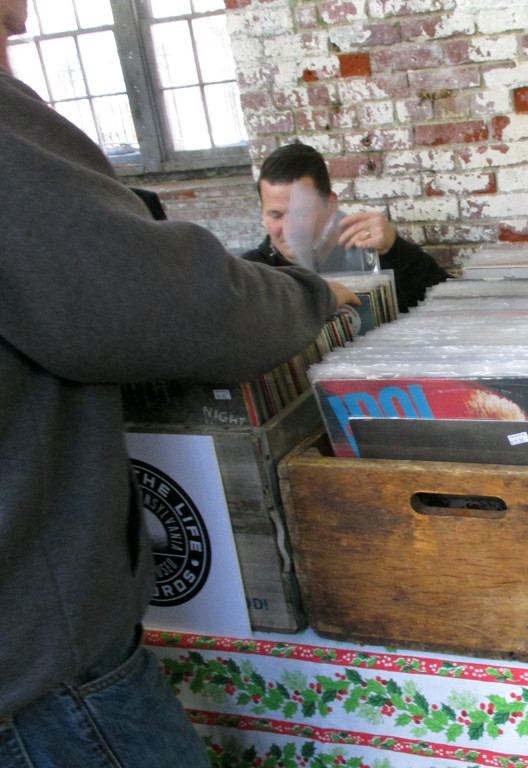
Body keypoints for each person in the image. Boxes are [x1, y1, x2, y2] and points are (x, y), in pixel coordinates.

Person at [0, 2, 358, 765]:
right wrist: (315, 296)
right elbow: (179, 308)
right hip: (35, 674)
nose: (20, 31)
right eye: (3, 30)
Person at [243, 142, 448, 312]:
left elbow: (450, 302)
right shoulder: (249, 275)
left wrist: (395, 248)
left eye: (301, 213)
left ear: (330, 204)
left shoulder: (369, 252)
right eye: (276, 215)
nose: (289, 229)